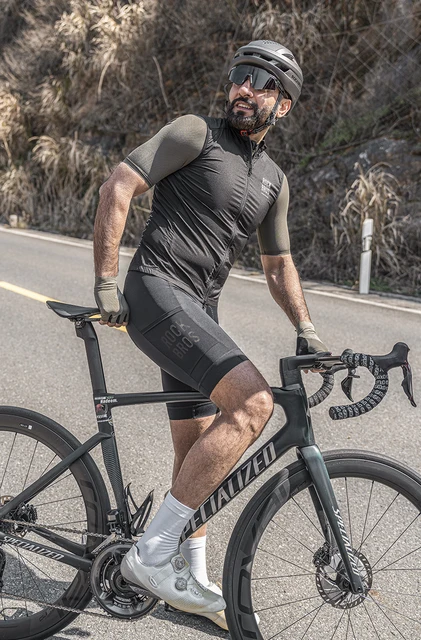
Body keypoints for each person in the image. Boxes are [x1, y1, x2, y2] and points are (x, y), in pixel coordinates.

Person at [93, 40, 328, 630]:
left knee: (197, 449)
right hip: (157, 290)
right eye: (239, 75)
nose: (244, 88)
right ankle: (152, 555)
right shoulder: (195, 133)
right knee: (253, 404)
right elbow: (119, 184)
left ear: (284, 105)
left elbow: (278, 266)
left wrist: (306, 328)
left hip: (201, 307)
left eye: (261, 81)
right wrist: (106, 281)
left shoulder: (273, 181)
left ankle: (190, 578)